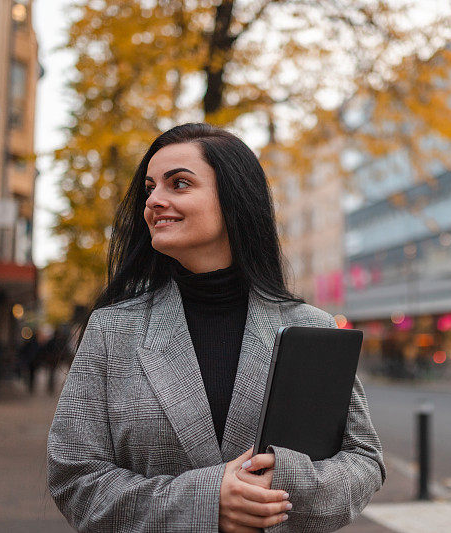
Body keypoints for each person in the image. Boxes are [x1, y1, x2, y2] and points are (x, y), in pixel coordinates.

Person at [46, 123, 385, 533]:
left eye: (179, 184)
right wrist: (205, 502)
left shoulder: (311, 327)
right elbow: (75, 478)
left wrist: (284, 481)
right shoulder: (111, 330)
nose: (154, 200)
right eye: (150, 187)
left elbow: (363, 461)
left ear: (234, 199)